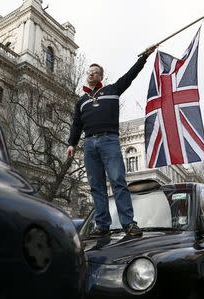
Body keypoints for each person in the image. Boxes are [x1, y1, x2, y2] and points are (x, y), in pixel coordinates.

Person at [66, 45, 157, 237]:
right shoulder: (81, 101)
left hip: (109, 141)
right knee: (96, 186)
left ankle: (129, 224)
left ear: (101, 77)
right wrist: (71, 144)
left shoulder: (113, 90)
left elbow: (130, 76)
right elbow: (76, 124)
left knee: (117, 181)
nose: (91, 74)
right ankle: (102, 226)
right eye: (89, 72)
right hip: (89, 144)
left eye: (95, 72)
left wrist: (144, 58)